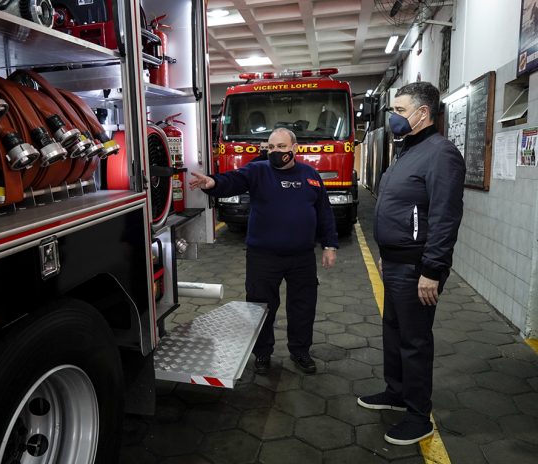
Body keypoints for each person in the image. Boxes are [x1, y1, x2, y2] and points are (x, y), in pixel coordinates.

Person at [357, 82, 465, 446]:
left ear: (423, 113)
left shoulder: (440, 153)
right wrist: (386, 257)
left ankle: (419, 416)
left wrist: (432, 271)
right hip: (396, 264)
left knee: (415, 341)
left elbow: (445, 217)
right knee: (394, 332)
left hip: (418, 268)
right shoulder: (407, 151)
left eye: (400, 110)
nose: (393, 117)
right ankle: (397, 392)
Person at [189, 127, 338, 375]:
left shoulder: (311, 175)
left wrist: (329, 245)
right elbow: (233, 180)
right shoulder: (258, 171)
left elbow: (324, 212)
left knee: (303, 307)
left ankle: (300, 351)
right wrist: (212, 182)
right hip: (263, 257)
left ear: (294, 148)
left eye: (281, 147)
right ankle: (262, 353)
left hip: (301, 257)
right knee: (260, 308)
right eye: (271, 147)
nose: (275, 152)